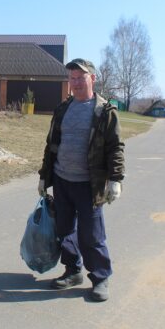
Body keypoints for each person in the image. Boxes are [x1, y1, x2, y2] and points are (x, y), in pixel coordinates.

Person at [38, 58, 125, 302]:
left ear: (92, 78)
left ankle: (100, 278)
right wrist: (45, 177)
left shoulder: (105, 111)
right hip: (62, 180)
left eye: (81, 77)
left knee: (92, 235)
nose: (76, 83)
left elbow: (115, 147)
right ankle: (72, 271)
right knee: (65, 231)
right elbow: (51, 144)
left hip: (89, 184)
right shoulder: (63, 109)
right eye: (72, 78)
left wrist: (116, 179)